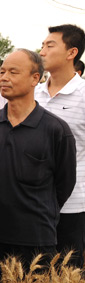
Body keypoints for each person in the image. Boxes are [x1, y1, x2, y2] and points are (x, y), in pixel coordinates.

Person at [0, 49, 76, 283]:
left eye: (13, 72)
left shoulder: (56, 130)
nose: (3, 78)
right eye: (2, 72)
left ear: (35, 78)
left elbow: (65, 184)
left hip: (36, 241)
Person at [36, 24, 85, 267]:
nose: (42, 52)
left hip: (73, 206)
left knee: (69, 277)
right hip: (34, 202)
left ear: (71, 52)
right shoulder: (34, 94)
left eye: (49, 45)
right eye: (42, 45)